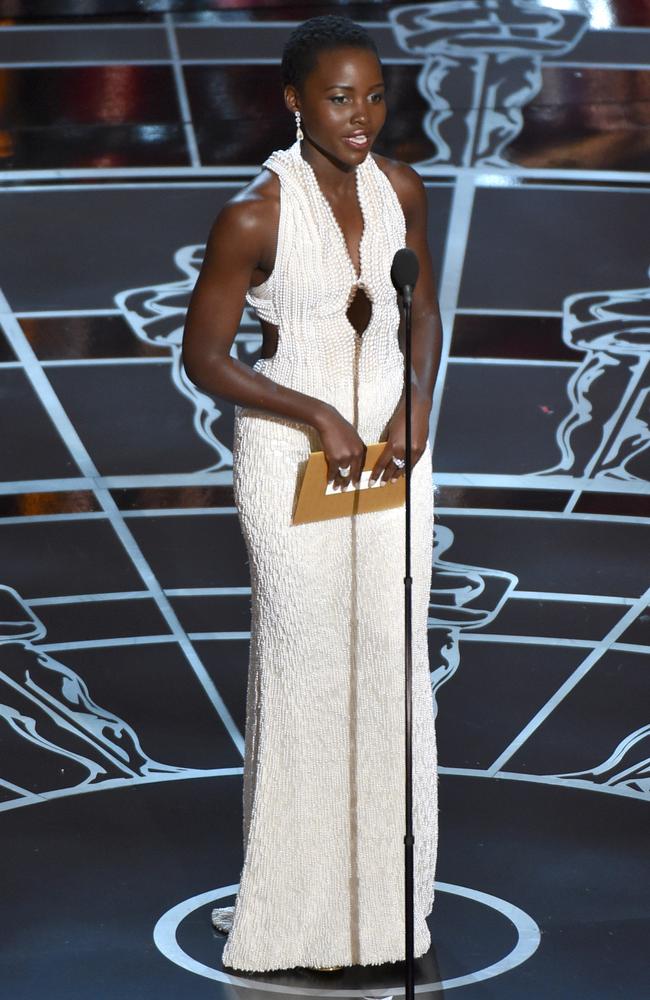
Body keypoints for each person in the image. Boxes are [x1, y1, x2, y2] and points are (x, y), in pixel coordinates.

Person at [181, 14, 443, 974]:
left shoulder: (403, 190)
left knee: (387, 660)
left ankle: (383, 904)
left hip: (393, 460)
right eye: (340, 98)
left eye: (376, 95)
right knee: (305, 669)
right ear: (293, 101)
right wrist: (318, 414)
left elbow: (423, 311)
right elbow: (205, 358)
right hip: (293, 462)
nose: (362, 116)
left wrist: (414, 402)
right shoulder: (254, 214)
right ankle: (290, 908)